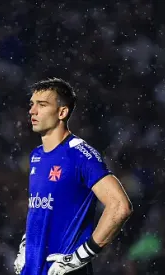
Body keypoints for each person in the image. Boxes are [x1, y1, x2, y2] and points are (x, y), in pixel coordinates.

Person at [14, 78, 133, 275]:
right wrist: (26, 245)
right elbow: (41, 208)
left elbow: (120, 207)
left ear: (62, 112)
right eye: (32, 104)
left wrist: (81, 256)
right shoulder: (36, 155)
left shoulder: (81, 155)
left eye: (42, 105)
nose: (32, 111)